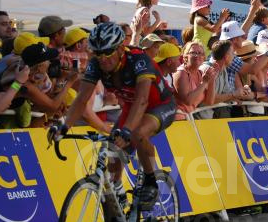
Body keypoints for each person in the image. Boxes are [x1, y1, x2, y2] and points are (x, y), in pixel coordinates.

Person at [49, 23, 177, 210]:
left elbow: (142, 99)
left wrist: (126, 130)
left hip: (159, 106)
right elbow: (82, 99)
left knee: (137, 134)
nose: (102, 59)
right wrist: (63, 126)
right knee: (113, 157)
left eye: (107, 52)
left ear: (119, 48)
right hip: (131, 107)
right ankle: (117, 197)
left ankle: (150, 181)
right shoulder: (96, 64)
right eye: (97, 53)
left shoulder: (138, 59)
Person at [173, 41, 218, 120]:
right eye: (193, 53)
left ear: (204, 57)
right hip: (176, 120)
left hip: (188, 119)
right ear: (185, 57)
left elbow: (209, 102)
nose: (197, 56)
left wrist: (212, 79)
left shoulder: (200, 73)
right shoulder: (181, 73)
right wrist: (204, 82)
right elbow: (188, 101)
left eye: (200, 53)